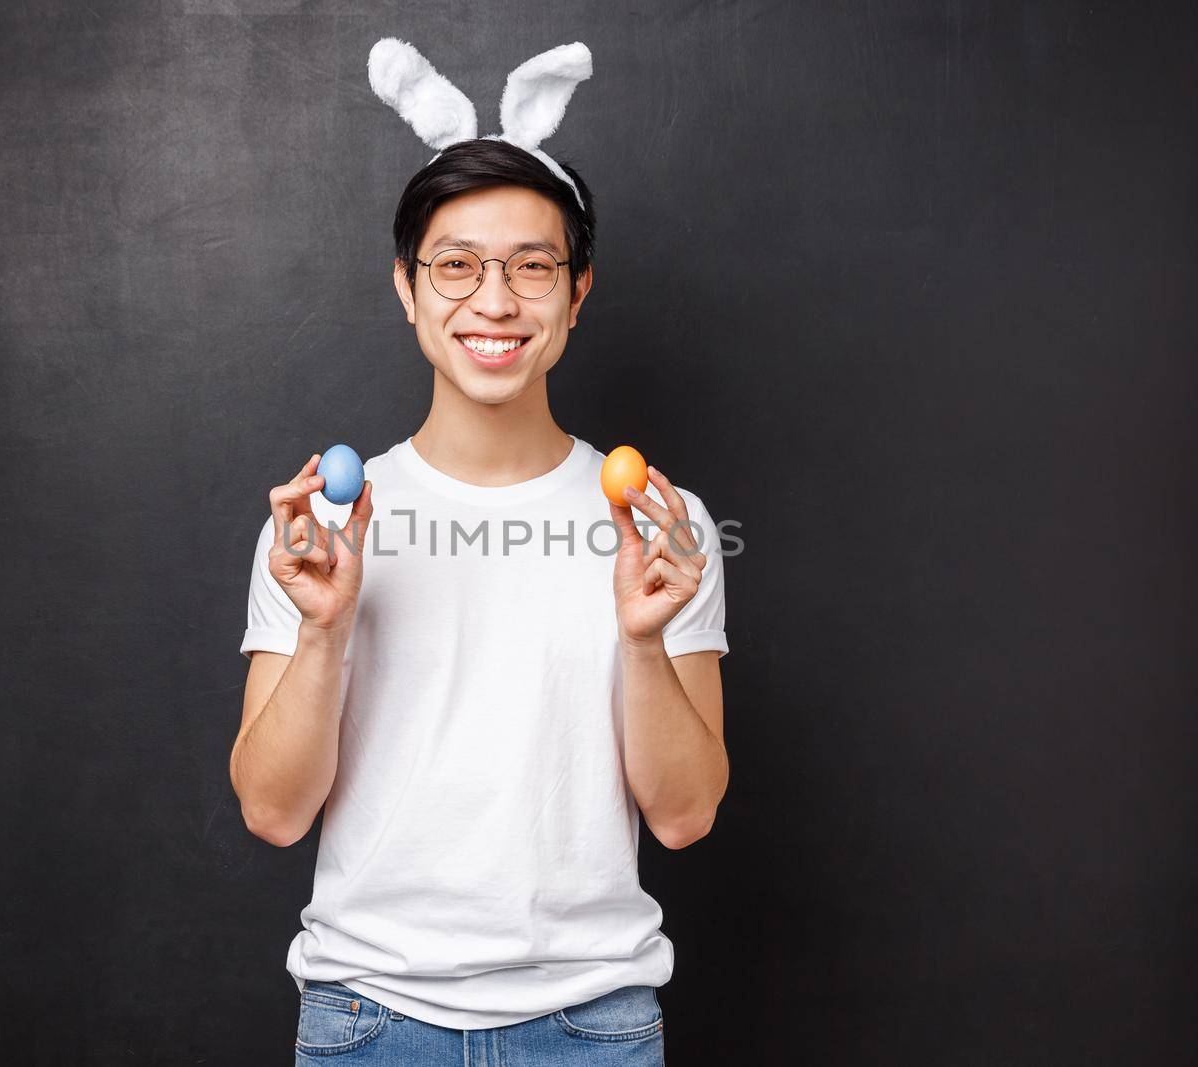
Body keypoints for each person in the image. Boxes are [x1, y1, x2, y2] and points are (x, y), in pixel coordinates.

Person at [230, 49, 729, 1067]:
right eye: (455, 264)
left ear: (576, 290)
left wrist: (641, 639)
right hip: (366, 1019)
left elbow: (684, 816)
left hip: (594, 1024)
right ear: (408, 290)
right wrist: (323, 629)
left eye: (531, 265)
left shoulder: (658, 524)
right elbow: (272, 812)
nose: (493, 301)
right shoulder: (326, 522)